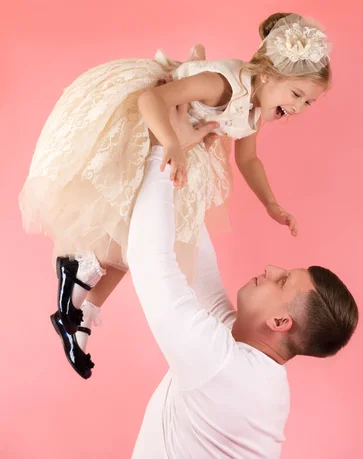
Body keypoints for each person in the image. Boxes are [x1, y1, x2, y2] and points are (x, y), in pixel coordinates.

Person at [111, 133, 358, 459]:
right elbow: (197, 263)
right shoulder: (245, 359)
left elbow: (152, 262)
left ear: (280, 321)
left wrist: (163, 148)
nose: (268, 267)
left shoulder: (226, 369)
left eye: (281, 280)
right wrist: (192, 162)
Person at [19, 12, 332, 379]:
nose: (298, 108)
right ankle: (77, 277)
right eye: (296, 94)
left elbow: (249, 159)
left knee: (138, 244)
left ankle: (82, 314)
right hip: (150, 127)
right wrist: (172, 142)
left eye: (308, 103)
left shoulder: (253, 111)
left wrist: (271, 203)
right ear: (266, 75)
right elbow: (152, 99)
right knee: (127, 225)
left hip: (183, 146)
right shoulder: (223, 84)